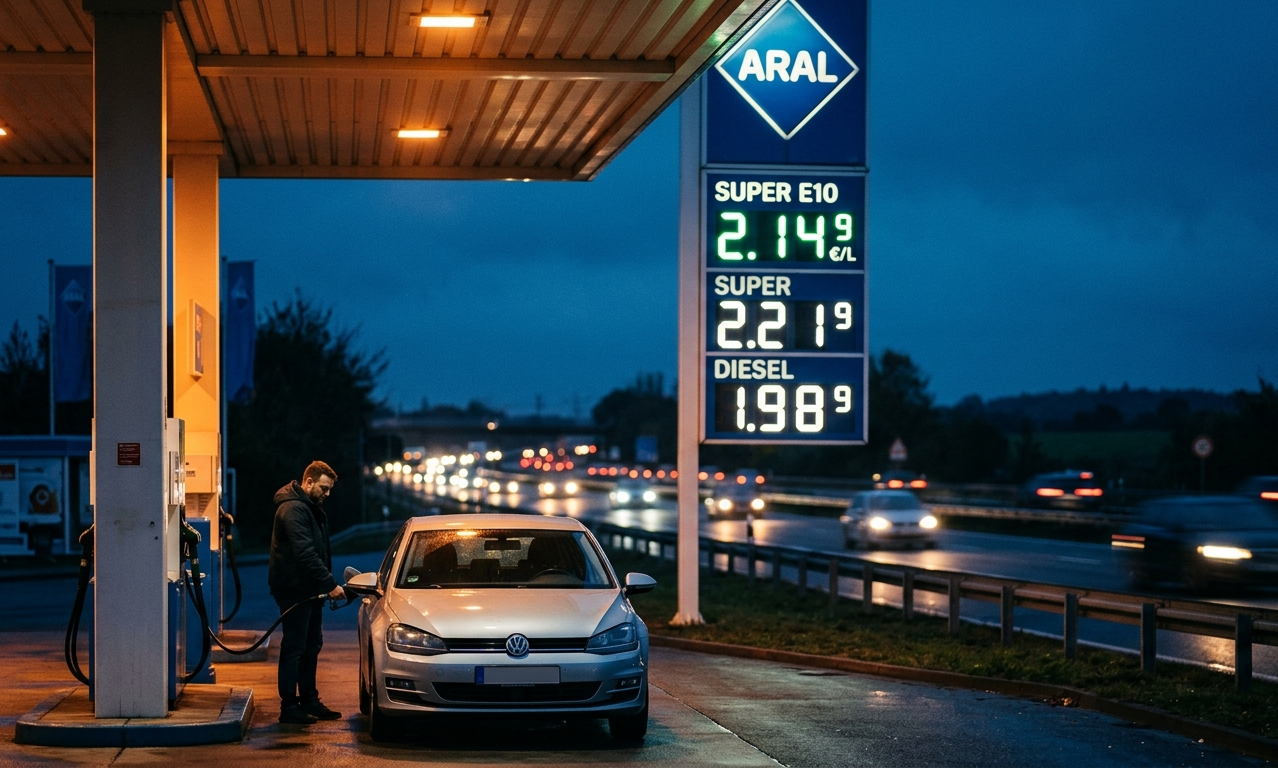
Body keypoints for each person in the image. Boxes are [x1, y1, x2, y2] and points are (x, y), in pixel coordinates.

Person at [268, 460, 347, 725]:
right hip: (294, 588)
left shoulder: (309, 507)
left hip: (308, 588)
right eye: (324, 488)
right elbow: (305, 553)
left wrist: (322, 584)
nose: (327, 494)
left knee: (311, 645)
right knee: (295, 647)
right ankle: (289, 707)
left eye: (330, 490)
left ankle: (309, 700)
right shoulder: (293, 508)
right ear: (309, 482)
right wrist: (330, 584)